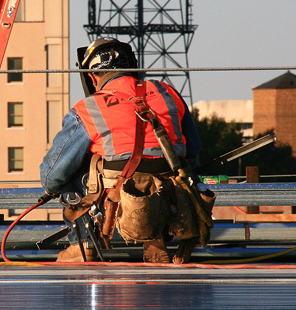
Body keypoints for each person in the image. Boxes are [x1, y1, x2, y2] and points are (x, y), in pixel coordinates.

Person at [40, 38, 205, 264]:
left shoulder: (88, 108)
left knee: (71, 175)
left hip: (115, 196)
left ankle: (84, 245)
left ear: (92, 76)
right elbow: (193, 151)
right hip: (170, 195)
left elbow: (53, 175)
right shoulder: (166, 92)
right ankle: (157, 238)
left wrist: (52, 184)